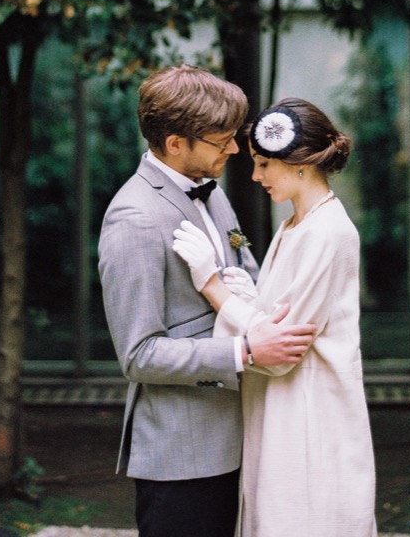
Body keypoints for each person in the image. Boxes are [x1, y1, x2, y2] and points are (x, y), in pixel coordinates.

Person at [97, 66, 317, 537]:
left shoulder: (212, 195)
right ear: (175, 143)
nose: (236, 150)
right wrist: (247, 352)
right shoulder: (133, 218)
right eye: (223, 142)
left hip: (242, 437)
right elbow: (138, 355)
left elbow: (248, 280)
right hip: (182, 458)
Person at [173, 97, 378, 537]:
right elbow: (272, 320)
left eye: (265, 164)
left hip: (311, 422)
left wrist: (213, 286)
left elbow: (280, 351)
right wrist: (248, 298)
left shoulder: (329, 232)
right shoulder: (296, 225)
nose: (255, 176)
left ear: (300, 163)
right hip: (285, 414)